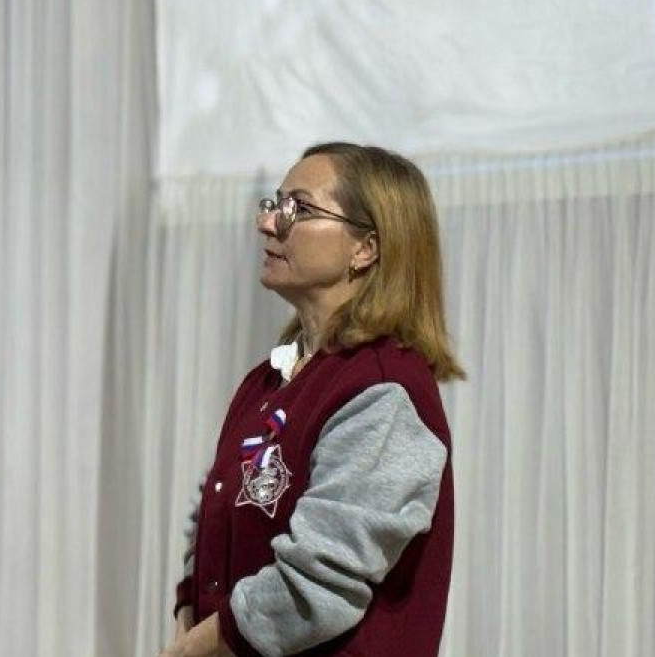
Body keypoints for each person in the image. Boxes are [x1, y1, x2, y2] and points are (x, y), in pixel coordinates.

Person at [159, 142, 464, 657]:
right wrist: (188, 615)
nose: (268, 223)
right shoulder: (267, 381)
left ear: (365, 248)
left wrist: (193, 650)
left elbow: (318, 583)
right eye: (274, 204)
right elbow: (214, 513)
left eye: (298, 208)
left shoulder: (383, 390)